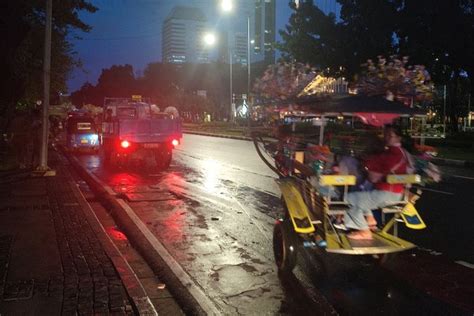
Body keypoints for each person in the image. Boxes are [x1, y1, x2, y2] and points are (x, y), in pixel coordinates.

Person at [343, 124, 412, 240]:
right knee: (362, 195)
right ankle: (370, 220)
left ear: (399, 138)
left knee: (348, 198)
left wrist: (365, 162)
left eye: (390, 135)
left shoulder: (392, 154)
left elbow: (372, 174)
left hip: (387, 194)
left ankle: (364, 231)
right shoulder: (400, 153)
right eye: (385, 135)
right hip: (394, 193)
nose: (386, 137)